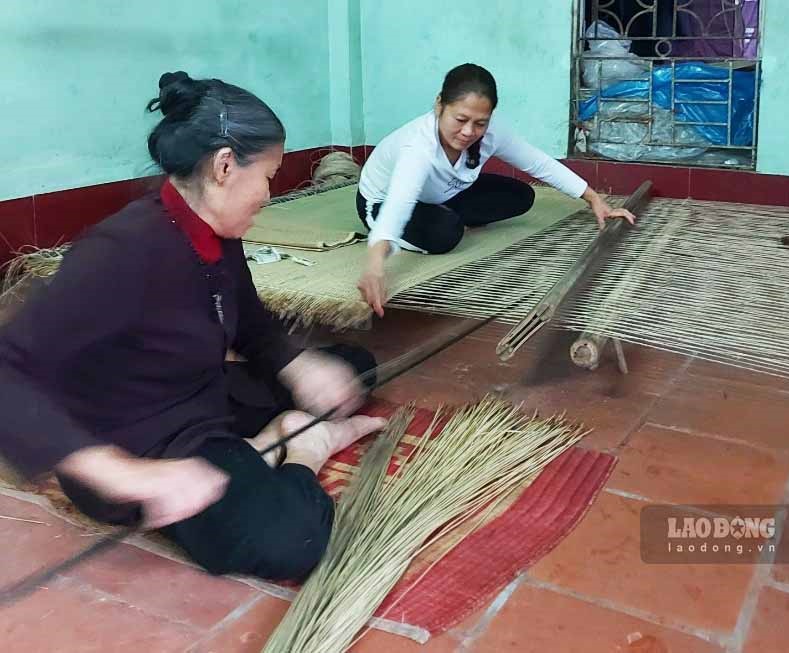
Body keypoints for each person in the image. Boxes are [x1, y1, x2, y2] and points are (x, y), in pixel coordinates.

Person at [0, 71, 386, 581]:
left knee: (352, 368)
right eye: (269, 176)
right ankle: (303, 448)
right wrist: (122, 473)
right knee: (295, 538)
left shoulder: (213, 233)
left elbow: (248, 319)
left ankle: (265, 442)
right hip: (144, 446)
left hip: (199, 395)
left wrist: (298, 366)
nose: (269, 194)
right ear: (225, 166)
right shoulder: (121, 251)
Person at [355, 63, 636, 316]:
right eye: (460, 119)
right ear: (440, 105)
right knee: (445, 233)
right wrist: (376, 266)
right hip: (381, 203)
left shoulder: (490, 133)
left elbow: (538, 162)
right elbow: (399, 204)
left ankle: (443, 213)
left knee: (521, 195)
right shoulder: (417, 147)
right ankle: (439, 219)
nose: (468, 132)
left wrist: (593, 199)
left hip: (443, 193)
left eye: (480, 123)